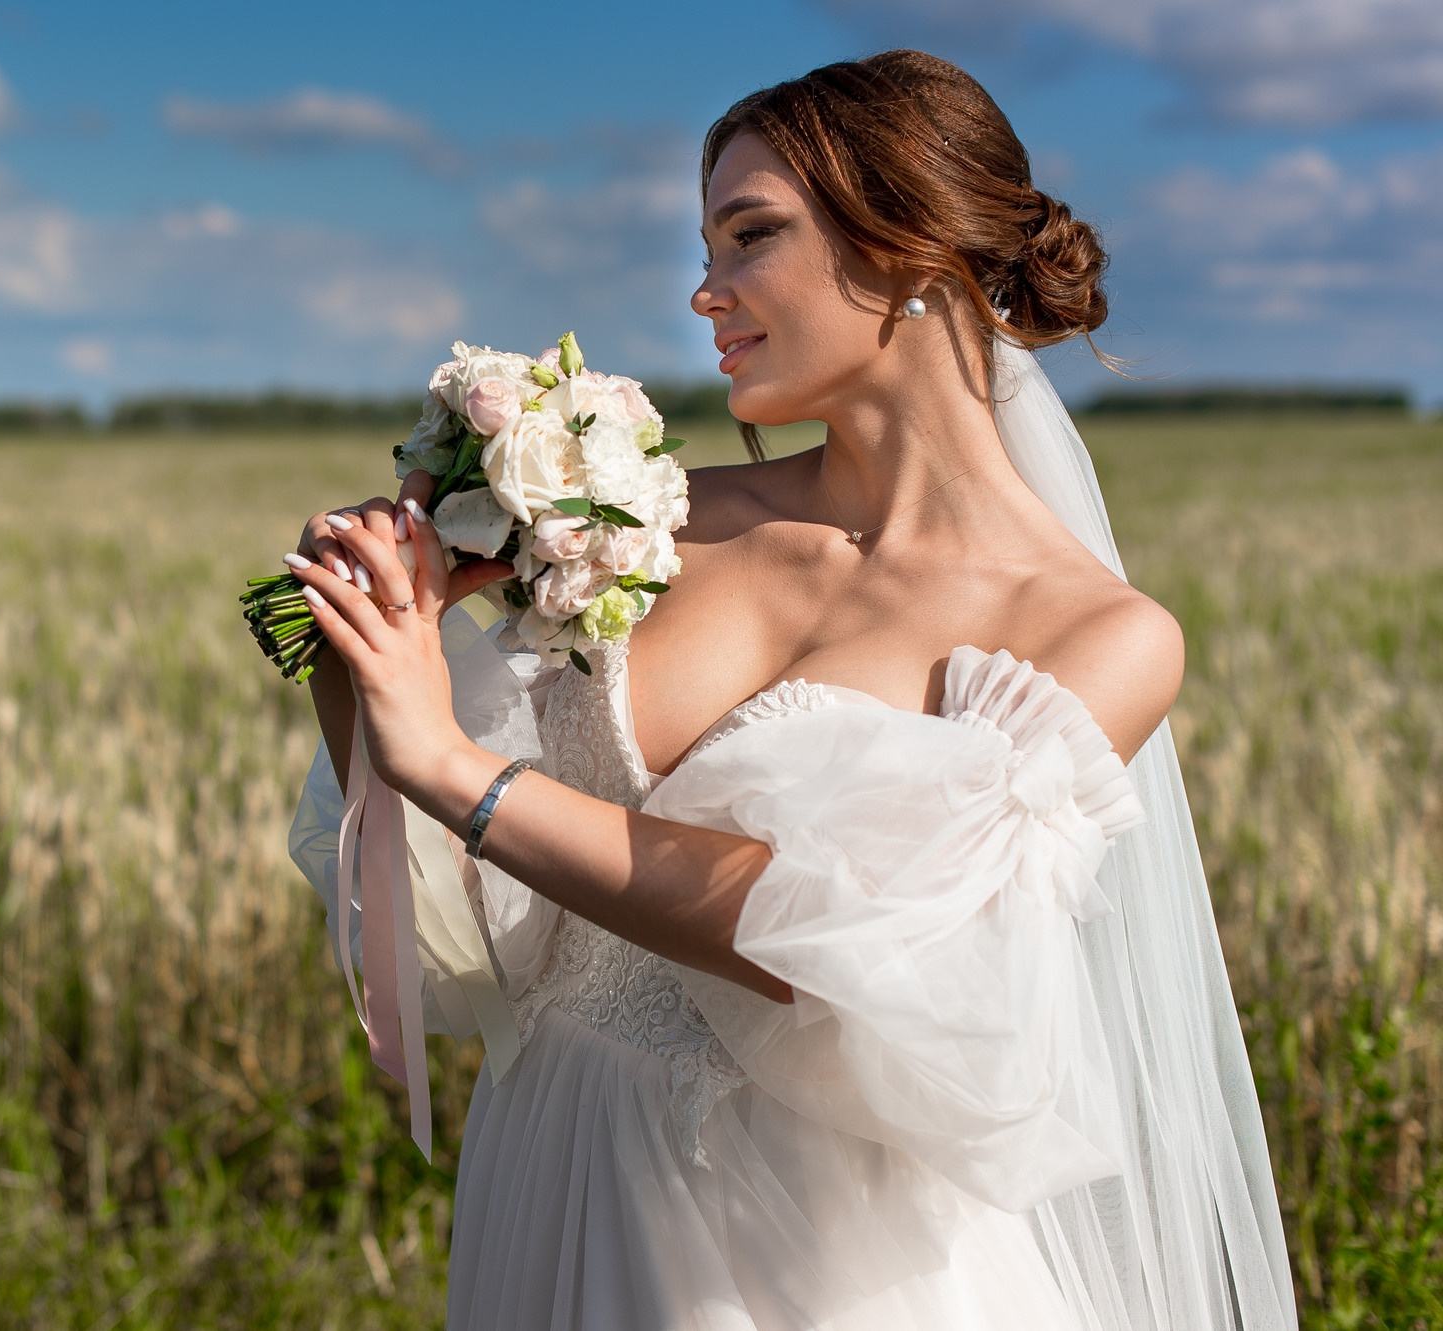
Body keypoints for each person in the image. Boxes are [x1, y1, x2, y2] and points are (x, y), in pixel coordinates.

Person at [286, 50, 1296, 1331]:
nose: (704, 292)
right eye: (704, 243)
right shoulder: (657, 526)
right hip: (552, 1164)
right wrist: (366, 659)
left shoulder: (1095, 635)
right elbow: (469, 937)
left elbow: (822, 951)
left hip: (817, 1260)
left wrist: (450, 764)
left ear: (914, 241)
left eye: (749, 235)